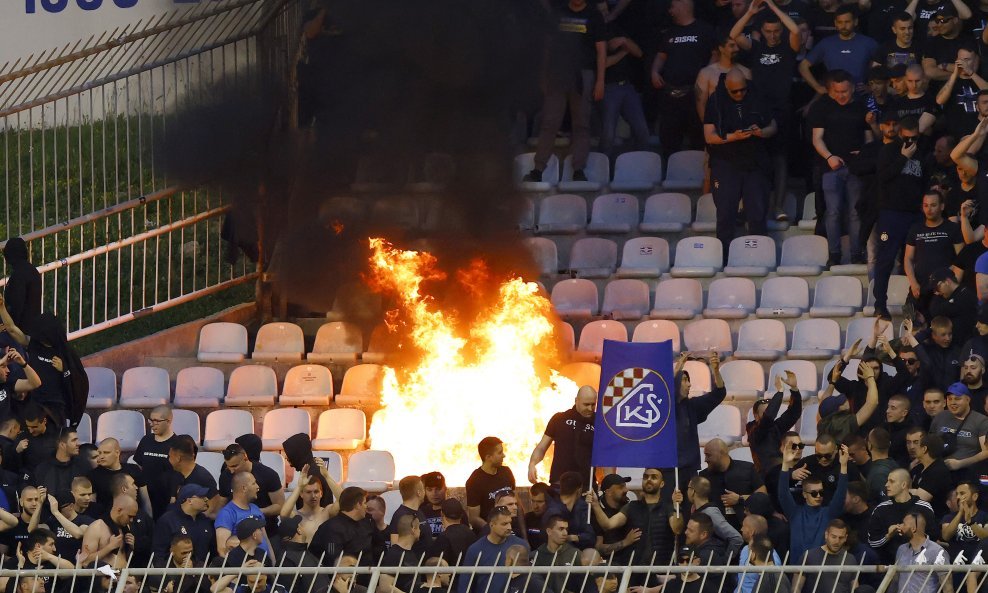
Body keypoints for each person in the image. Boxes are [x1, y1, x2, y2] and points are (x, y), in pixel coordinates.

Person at [730, 0, 802, 220]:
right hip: (758, 108)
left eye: (776, 31)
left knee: (780, 159)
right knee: (752, 157)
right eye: (768, 31)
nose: (772, 35)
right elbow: (734, 34)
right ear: (762, 31)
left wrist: (773, 6)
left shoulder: (788, 47)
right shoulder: (756, 47)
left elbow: (796, 30)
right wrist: (751, 11)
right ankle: (747, 204)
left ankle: (778, 207)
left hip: (781, 108)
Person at [523, 0, 605, 183]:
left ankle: (578, 170)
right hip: (557, 73)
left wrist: (600, 80)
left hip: (583, 74)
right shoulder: (557, 13)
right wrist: (543, 75)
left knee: (581, 124)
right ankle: (538, 169)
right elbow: (547, 46)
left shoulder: (593, 15)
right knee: (549, 122)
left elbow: (601, 50)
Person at [702, 69, 775, 255]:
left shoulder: (756, 95)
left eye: (742, 90)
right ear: (726, 86)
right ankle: (725, 257)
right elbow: (709, 136)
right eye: (735, 91)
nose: (740, 94)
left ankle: (759, 256)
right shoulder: (716, 100)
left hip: (755, 160)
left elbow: (773, 126)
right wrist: (733, 137)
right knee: (726, 213)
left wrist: (761, 132)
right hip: (726, 161)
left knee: (757, 212)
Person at [808, 69, 874, 266]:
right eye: (837, 91)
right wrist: (829, 157)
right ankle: (834, 254)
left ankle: (856, 253)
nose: (841, 95)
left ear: (852, 88)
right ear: (830, 90)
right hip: (831, 167)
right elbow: (816, 139)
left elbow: (869, 139)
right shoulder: (822, 107)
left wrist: (863, 154)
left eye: (845, 91)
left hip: (855, 167)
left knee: (855, 212)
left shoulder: (861, 107)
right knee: (833, 211)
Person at [872, 116, 928, 318]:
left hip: (914, 215)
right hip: (890, 215)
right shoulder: (888, 151)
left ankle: (913, 306)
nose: (910, 142)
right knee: (885, 259)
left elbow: (925, 183)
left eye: (914, 138)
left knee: (916, 261)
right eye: (907, 138)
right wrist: (903, 157)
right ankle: (880, 304)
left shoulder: (922, 154)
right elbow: (882, 178)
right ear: (900, 134)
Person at [0, 300, 85, 428]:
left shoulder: (65, 352)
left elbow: (80, 381)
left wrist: (65, 369)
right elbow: (12, 329)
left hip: (55, 408)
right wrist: (2, 308)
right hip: (34, 404)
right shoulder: (34, 345)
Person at [650, 0, 718, 159]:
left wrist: (705, 76)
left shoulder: (705, 30)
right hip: (670, 94)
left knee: (697, 138)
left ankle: (698, 177)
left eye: (673, 6)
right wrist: (654, 72)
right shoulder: (670, 32)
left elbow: (716, 54)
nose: (670, 11)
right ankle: (669, 175)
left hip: (695, 94)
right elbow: (661, 56)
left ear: (683, 5)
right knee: (668, 139)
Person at [588, 468, 685, 578]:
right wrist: (595, 504)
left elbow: (677, 529)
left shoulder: (668, 507)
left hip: (661, 569)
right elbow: (608, 524)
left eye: (654, 477)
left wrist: (677, 506)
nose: (649, 480)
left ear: (662, 483)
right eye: (645, 477)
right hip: (634, 571)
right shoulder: (631, 507)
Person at [777, 441, 850, 564]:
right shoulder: (795, 513)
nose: (819, 496)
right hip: (797, 570)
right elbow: (783, 493)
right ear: (804, 494)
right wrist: (785, 464)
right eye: (814, 493)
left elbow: (840, 495)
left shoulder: (828, 513)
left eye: (821, 492)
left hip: (821, 572)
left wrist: (843, 466)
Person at [670, 351, 727, 496]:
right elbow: (667, 390)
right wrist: (679, 366)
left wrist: (715, 370)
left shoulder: (692, 406)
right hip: (668, 471)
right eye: (684, 380)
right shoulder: (663, 408)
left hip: (689, 470)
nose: (689, 385)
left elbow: (719, 393)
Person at [528, 385, 595, 485]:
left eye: (593, 404)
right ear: (576, 400)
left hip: (585, 485)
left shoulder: (599, 422)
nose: (590, 408)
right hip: (560, 484)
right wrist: (532, 464)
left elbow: (607, 455)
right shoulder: (559, 419)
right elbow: (542, 447)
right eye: (586, 404)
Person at [598, 29, 650, 158]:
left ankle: (638, 162)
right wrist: (624, 51)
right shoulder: (596, 31)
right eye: (601, 10)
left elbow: (639, 53)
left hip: (627, 86)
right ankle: (605, 169)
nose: (605, 13)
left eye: (606, 9)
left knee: (641, 129)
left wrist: (624, 41)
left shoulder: (619, 30)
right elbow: (603, 63)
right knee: (608, 133)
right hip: (608, 87)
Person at [867, 469, 937, 563]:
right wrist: (888, 536)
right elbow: (872, 542)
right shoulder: (881, 509)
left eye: (891, 481)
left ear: (903, 485)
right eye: (887, 481)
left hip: (919, 566)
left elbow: (933, 537)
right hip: (888, 566)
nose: (886, 484)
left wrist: (913, 534)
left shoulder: (924, 507)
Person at [800, 6, 878, 90]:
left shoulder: (869, 43)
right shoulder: (826, 43)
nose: (843, 26)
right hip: (834, 96)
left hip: (860, 98)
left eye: (847, 22)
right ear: (835, 23)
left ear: (855, 22)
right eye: (840, 22)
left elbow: (882, 68)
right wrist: (817, 87)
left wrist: (871, 88)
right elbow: (803, 66)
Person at [700, 438, 766, 531]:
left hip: (745, 527)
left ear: (722, 453)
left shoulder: (747, 468)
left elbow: (762, 496)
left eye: (708, 455)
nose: (705, 459)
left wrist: (740, 499)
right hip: (715, 529)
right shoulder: (704, 475)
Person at [458, 507, 528, 593]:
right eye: (504, 524)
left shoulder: (521, 546)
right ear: (491, 525)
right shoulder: (475, 550)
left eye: (510, 523)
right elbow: (465, 583)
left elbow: (529, 577)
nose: (509, 527)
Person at [217, 443, 284, 533]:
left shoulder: (268, 474)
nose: (232, 471)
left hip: (267, 530)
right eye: (228, 466)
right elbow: (222, 504)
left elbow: (280, 506)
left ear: (245, 457)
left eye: (235, 466)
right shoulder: (225, 476)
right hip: (237, 532)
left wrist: (256, 512)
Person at [746, 372, 803, 473]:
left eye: (771, 408)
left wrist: (794, 390)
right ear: (756, 416)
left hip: (783, 470)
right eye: (764, 412)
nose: (770, 411)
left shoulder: (775, 427)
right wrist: (780, 392)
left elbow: (793, 413)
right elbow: (768, 418)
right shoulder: (753, 431)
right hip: (766, 477)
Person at [930, 382, 988, 478]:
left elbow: (986, 452)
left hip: (967, 472)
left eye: (957, 398)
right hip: (939, 469)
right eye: (949, 399)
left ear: (968, 400)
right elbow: (930, 443)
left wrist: (960, 463)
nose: (953, 402)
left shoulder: (981, 421)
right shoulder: (940, 416)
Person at [133, 406, 181, 519]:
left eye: (157, 421)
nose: (152, 424)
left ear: (169, 421)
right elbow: (139, 467)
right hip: (145, 497)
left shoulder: (177, 444)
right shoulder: (146, 440)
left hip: (167, 499)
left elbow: (180, 473)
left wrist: (174, 496)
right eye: (151, 420)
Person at [308, 487, 375, 567]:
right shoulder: (331, 529)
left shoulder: (366, 524)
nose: (366, 506)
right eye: (364, 503)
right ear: (358, 505)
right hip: (339, 576)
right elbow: (332, 557)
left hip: (370, 575)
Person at [279, 460, 341, 544]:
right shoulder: (296, 516)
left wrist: (327, 476)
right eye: (308, 492)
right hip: (303, 555)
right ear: (301, 494)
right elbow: (283, 514)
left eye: (316, 492)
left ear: (321, 493)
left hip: (322, 556)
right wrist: (299, 486)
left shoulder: (327, 512)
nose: (313, 496)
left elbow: (343, 500)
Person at [152, 483, 215, 565]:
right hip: (174, 572)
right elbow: (158, 554)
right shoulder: (168, 521)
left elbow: (213, 550)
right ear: (189, 501)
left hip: (200, 573)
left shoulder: (205, 521)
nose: (206, 499)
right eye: (201, 497)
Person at [87, 438, 149, 518]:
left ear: (117, 453)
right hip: (107, 520)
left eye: (106, 453)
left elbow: (146, 500)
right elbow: (92, 506)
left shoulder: (134, 469)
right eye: (99, 453)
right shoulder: (93, 475)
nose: (101, 456)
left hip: (136, 519)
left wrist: (149, 520)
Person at [686, 475, 744, 561]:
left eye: (688, 488)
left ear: (693, 491)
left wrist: (724, 562)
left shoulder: (711, 513)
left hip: (714, 566)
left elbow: (736, 538)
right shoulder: (698, 510)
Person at [936, 45, 988, 140]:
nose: (963, 63)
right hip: (956, 135)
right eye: (961, 59)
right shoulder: (952, 82)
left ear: (976, 61)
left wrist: (971, 73)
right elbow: (940, 100)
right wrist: (955, 74)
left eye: (967, 60)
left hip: (981, 133)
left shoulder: (981, 79)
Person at [894, 512, 953, 593]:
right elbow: (895, 581)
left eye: (904, 524)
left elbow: (947, 587)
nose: (900, 526)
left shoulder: (937, 552)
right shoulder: (901, 550)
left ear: (913, 528)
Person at [695, 35, 751, 121]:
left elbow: (750, 102)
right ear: (721, 48)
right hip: (716, 123)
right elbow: (701, 104)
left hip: (740, 125)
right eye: (732, 46)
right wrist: (708, 128)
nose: (737, 49)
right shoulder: (706, 73)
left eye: (737, 46)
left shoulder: (745, 72)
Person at [215, 471, 269, 559]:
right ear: (244, 488)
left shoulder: (255, 508)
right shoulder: (226, 513)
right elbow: (222, 550)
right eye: (254, 483)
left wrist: (273, 564)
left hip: (264, 564)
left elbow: (265, 539)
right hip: (246, 567)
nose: (258, 487)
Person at [465, 436, 515, 530]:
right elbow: (474, 518)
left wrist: (524, 535)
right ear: (488, 457)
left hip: (512, 530)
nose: (504, 455)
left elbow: (517, 504)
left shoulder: (506, 472)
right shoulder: (474, 481)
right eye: (500, 453)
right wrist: (494, 531)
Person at [795, 519, 857, 593]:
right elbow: (796, 589)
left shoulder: (850, 559)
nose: (837, 541)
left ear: (845, 538)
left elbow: (855, 588)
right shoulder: (810, 556)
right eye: (833, 537)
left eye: (841, 538)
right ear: (826, 535)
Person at [31, 428, 90, 505]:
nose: (78, 443)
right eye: (74, 440)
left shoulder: (83, 467)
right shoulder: (42, 469)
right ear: (62, 444)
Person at [589, 473, 637, 563]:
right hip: (609, 563)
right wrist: (625, 542)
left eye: (625, 486)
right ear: (609, 492)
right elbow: (598, 547)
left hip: (630, 559)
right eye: (621, 487)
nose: (626, 490)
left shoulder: (628, 506)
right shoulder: (596, 512)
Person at [79, 495, 139, 566]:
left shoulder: (125, 528)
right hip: (104, 575)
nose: (131, 520)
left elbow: (123, 557)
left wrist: (130, 547)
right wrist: (110, 547)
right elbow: (85, 562)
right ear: (119, 510)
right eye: (130, 516)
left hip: (124, 575)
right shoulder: (96, 527)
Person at [928, 268, 977, 348]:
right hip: (950, 345)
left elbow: (939, 311)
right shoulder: (945, 296)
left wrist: (946, 301)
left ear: (947, 281)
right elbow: (933, 310)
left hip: (964, 345)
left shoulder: (965, 294)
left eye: (937, 287)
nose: (937, 292)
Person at [940, 481, 988, 562]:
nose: (958, 497)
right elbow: (946, 536)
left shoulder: (985, 517)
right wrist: (960, 513)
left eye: (962, 493)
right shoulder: (949, 517)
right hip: (956, 565)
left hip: (979, 566)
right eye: (957, 494)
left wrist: (970, 522)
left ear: (975, 496)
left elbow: (985, 537)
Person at [532, 515, 581, 593]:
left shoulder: (575, 553)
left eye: (566, 529)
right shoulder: (535, 556)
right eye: (561, 529)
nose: (565, 533)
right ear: (549, 531)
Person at [909, 433, 953, 520]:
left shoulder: (938, 471)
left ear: (924, 449)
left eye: (917, 444)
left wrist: (904, 490)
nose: (913, 447)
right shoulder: (918, 468)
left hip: (933, 519)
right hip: (915, 515)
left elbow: (921, 498)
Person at [387, 475, 433, 555]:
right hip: (413, 565)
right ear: (419, 493)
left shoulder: (419, 511)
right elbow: (396, 546)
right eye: (423, 489)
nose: (424, 492)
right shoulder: (400, 516)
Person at [2, 237, 41, 330]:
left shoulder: (19, 275)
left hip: (21, 331)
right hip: (32, 327)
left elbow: (16, 306)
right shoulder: (32, 270)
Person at [380, 514, 422, 593]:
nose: (420, 531)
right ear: (413, 528)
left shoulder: (411, 553)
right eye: (419, 527)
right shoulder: (394, 554)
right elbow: (384, 586)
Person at [428, 498, 476, 565]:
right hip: (470, 574)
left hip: (450, 574)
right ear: (462, 514)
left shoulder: (443, 538)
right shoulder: (471, 534)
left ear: (442, 514)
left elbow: (436, 563)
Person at [420, 471, 446, 536]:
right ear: (425, 491)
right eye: (429, 489)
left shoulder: (454, 510)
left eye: (438, 489)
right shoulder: (421, 513)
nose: (434, 493)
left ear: (445, 489)